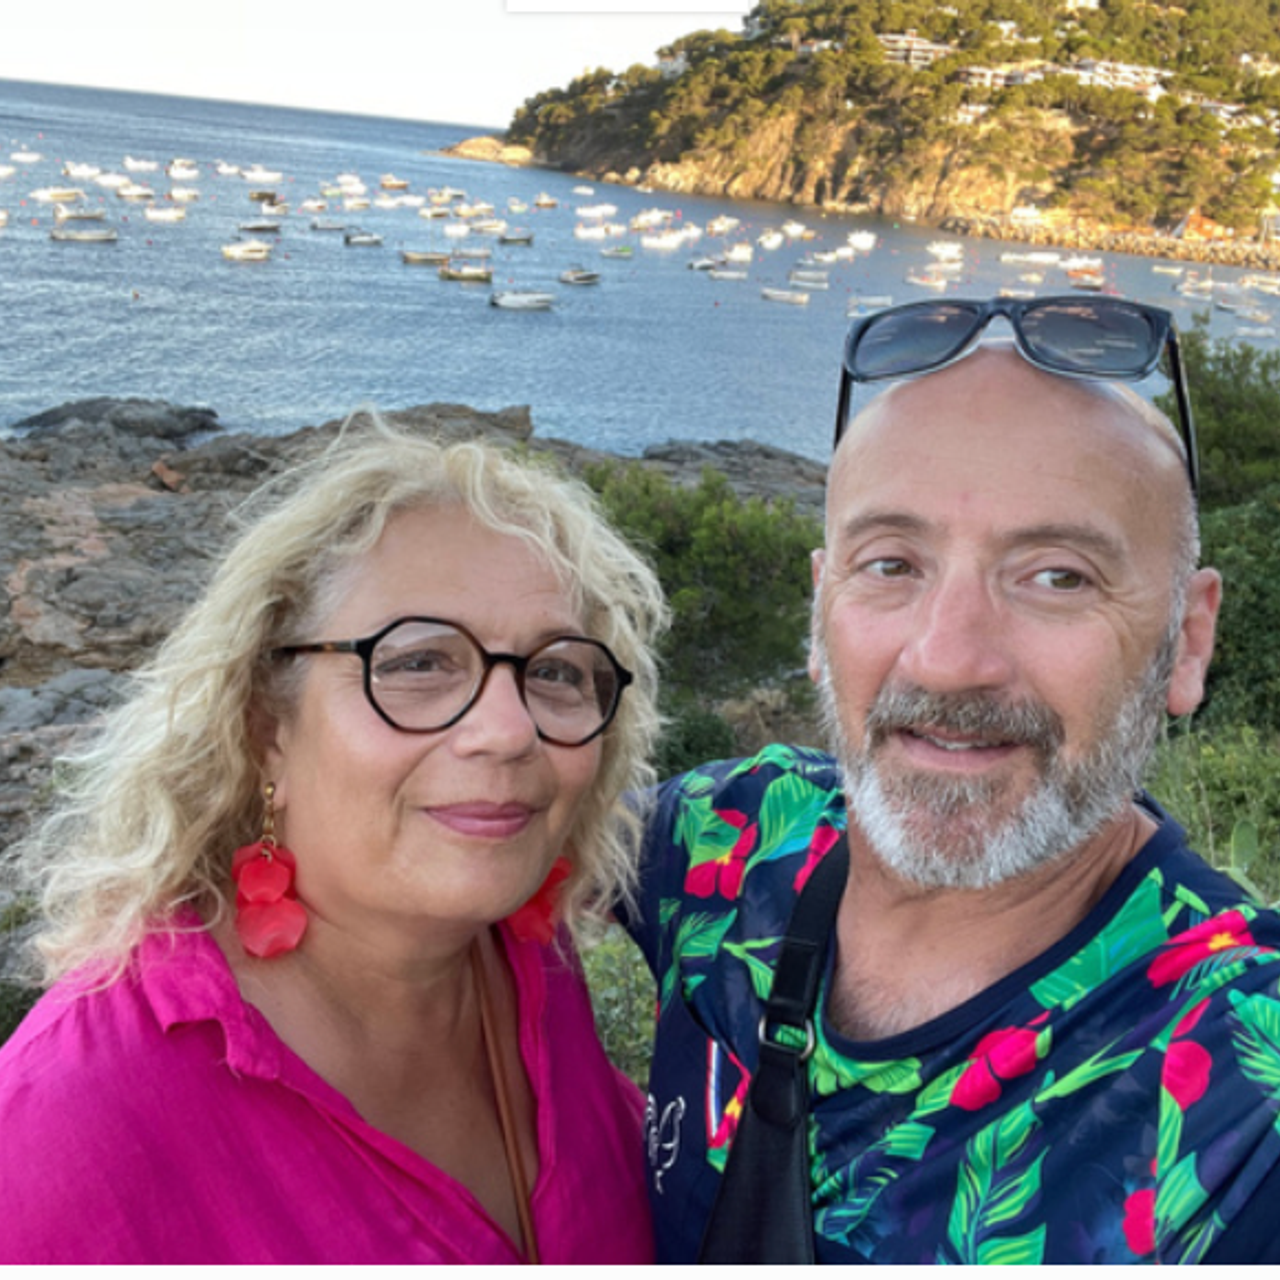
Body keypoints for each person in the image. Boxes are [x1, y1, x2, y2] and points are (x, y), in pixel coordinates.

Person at [622, 296, 1280, 1264]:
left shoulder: (1239, 1078)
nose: (944, 659)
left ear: (1184, 639)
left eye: (1055, 575)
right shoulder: (735, 832)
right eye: (890, 563)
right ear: (819, 612)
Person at [0, 417, 667, 1264]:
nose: (508, 730)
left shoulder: (536, 965)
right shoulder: (71, 1127)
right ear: (264, 724)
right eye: (419, 663)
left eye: (556, 671)